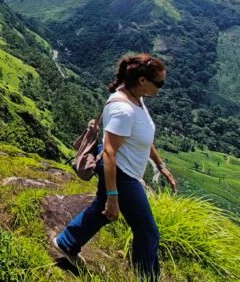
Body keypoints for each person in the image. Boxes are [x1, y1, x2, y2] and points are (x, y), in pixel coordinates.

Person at [53, 53, 177, 281]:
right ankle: (147, 277)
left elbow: (143, 137)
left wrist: (160, 164)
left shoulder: (137, 99)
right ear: (142, 80)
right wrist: (113, 195)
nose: (161, 88)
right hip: (123, 176)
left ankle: (67, 242)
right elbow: (109, 152)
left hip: (124, 173)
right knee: (148, 233)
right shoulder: (124, 109)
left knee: (102, 213)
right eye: (159, 83)